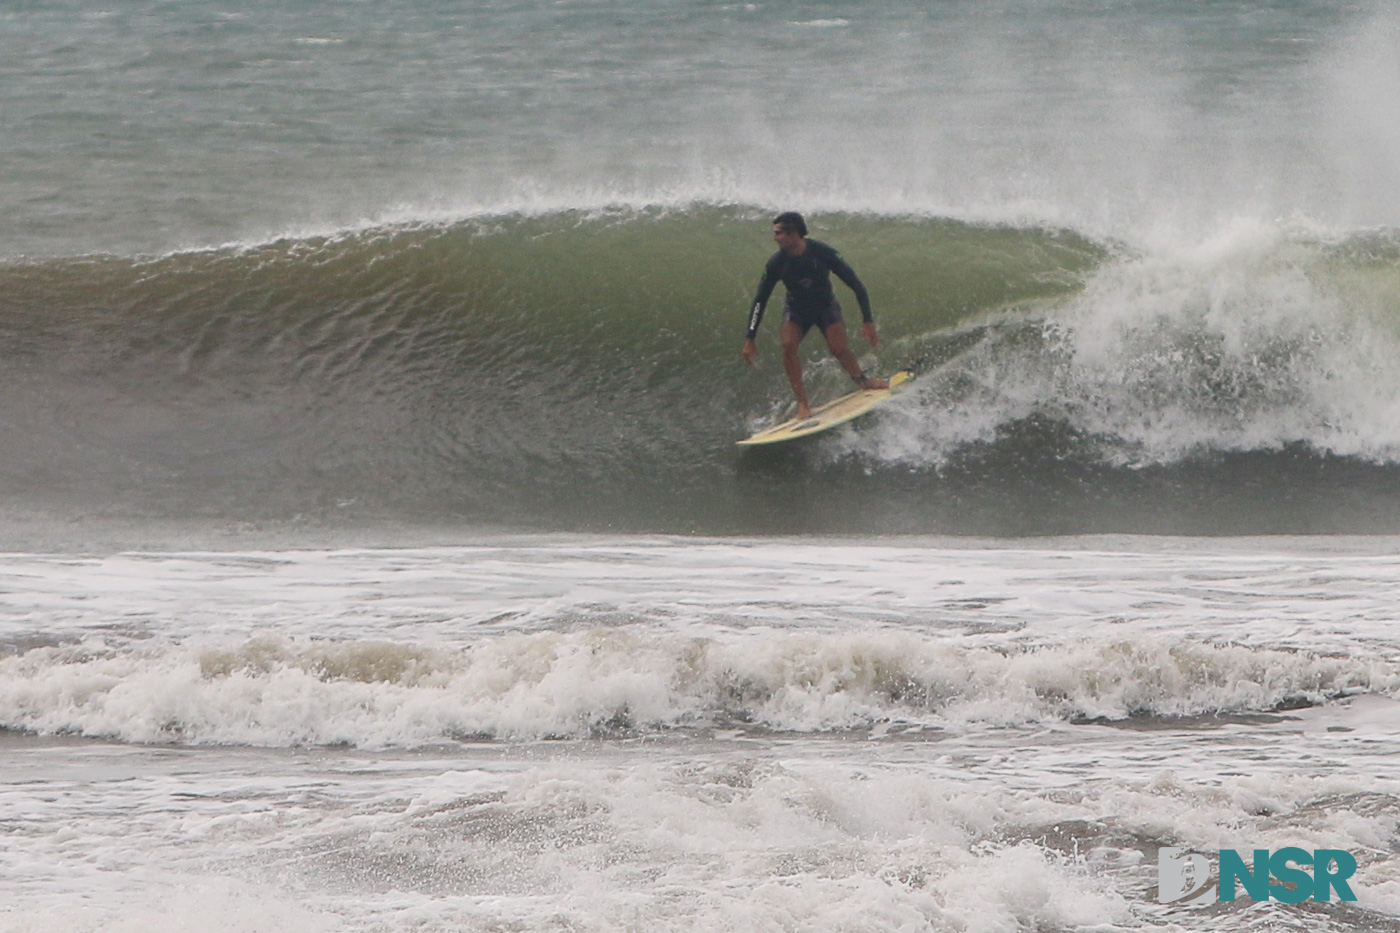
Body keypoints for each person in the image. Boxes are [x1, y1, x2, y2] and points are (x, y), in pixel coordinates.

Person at [741, 212, 888, 418]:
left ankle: (863, 381)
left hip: (825, 307)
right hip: (797, 310)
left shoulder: (823, 252)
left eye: (778, 233)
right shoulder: (776, 263)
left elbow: (856, 285)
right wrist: (750, 337)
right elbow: (760, 300)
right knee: (788, 345)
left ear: (793, 234)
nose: (774, 238)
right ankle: (803, 404)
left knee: (839, 349)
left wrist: (868, 321)